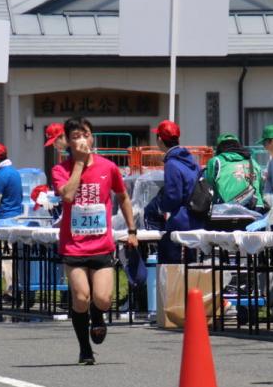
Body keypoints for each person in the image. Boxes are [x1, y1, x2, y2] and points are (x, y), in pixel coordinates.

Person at [52, 117, 139, 365]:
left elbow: (122, 197)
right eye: (76, 135)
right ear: (68, 141)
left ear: (92, 138)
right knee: (80, 296)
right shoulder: (60, 169)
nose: (82, 139)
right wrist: (78, 164)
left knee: (102, 298)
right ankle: (84, 349)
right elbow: (68, 196)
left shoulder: (108, 167)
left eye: (86, 134)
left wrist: (132, 229)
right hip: (73, 244)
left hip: (101, 243)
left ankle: (98, 317)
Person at [150, 120, 206, 264]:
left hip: (181, 220)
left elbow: (173, 197)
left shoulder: (172, 163)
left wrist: (160, 206)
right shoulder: (191, 160)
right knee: (191, 263)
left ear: (160, 140)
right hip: (198, 217)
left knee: (170, 261)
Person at [205, 133, 263, 210]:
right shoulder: (252, 161)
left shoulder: (216, 161)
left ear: (219, 147)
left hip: (229, 208)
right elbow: (260, 185)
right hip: (255, 205)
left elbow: (210, 187)